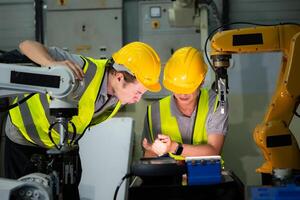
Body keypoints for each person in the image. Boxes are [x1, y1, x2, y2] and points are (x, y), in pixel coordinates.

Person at [4, 40, 161, 199]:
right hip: (24, 137)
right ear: (119, 77)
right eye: (138, 92)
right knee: (23, 193)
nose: (138, 98)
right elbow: (26, 45)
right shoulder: (82, 68)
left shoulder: (116, 97)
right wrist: (51, 64)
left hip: (62, 145)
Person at [142, 47, 228, 159]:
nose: (182, 93)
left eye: (188, 88)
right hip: (169, 175)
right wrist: (153, 151)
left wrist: (173, 147)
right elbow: (149, 156)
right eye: (177, 87)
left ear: (201, 81)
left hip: (206, 174)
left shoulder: (216, 102)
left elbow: (214, 150)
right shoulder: (155, 111)